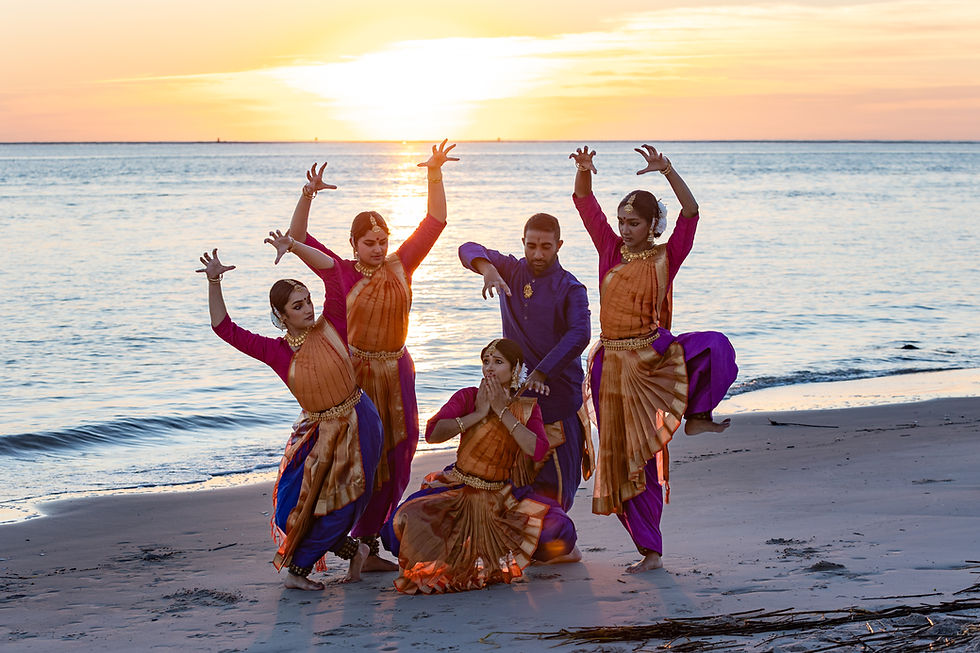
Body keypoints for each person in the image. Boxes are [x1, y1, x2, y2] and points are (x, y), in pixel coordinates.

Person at [284, 140, 458, 572]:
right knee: (359, 460)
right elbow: (298, 238)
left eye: (382, 241)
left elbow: (436, 220)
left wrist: (433, 173)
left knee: (399, 458)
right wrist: (308, 195)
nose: (378, 248)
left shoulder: (403, 264)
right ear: (354, 244)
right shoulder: (340, 273)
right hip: (357, 377)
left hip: (397, 370)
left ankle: (369, 546)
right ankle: (346, 545)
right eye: (369, 242)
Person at [570, 144, 738, 573]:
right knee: (622, 458)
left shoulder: (668, 256)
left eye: (634, 223)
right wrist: (586, 170)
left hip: (650, 360)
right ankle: (648, 550)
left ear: (652, 225)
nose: (625, 229)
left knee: (715, 347)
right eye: (622, 222)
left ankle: (698, 413)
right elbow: (585, 205)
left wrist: (668, 171)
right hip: (610, 367)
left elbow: (692, 213)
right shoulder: (609, 251)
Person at [196, 235, 383, 590]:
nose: (309, 309)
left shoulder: (333, 324)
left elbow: (332, 272)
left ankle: (298, 571)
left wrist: (295, 246)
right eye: (298, 307)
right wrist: (214, 281)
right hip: (318, 431)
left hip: (360, 422)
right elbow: (224, 328)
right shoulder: (276, 352)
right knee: (290, 509)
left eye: (308, 300)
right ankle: (353, 550)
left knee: (342, 504)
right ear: (281, 317)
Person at [380, 339, 579, 594]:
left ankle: (497, 552)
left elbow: (537, 449)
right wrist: (478, 414)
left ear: (516, 368)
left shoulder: (526, 408)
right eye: (486, 362)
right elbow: (433, 433)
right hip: (460, 488)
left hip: (501, 499)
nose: (490, 369)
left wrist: (502, 411)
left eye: (498, 362)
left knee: (560, 528)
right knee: (398, 526)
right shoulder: (469, 397)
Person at [458, 213, 592, 515]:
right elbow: (467, 247)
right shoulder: (510, 270)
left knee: (557, 496)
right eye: (531, 246)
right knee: (512, 484)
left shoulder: (571, 288)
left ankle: (554, 537)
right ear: (523, 243)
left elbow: (580, 333)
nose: (538, 254)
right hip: (516, 401)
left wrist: (543, 370)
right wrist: (488, 269)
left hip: (557, 401)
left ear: (559, 245)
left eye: (546, 246)